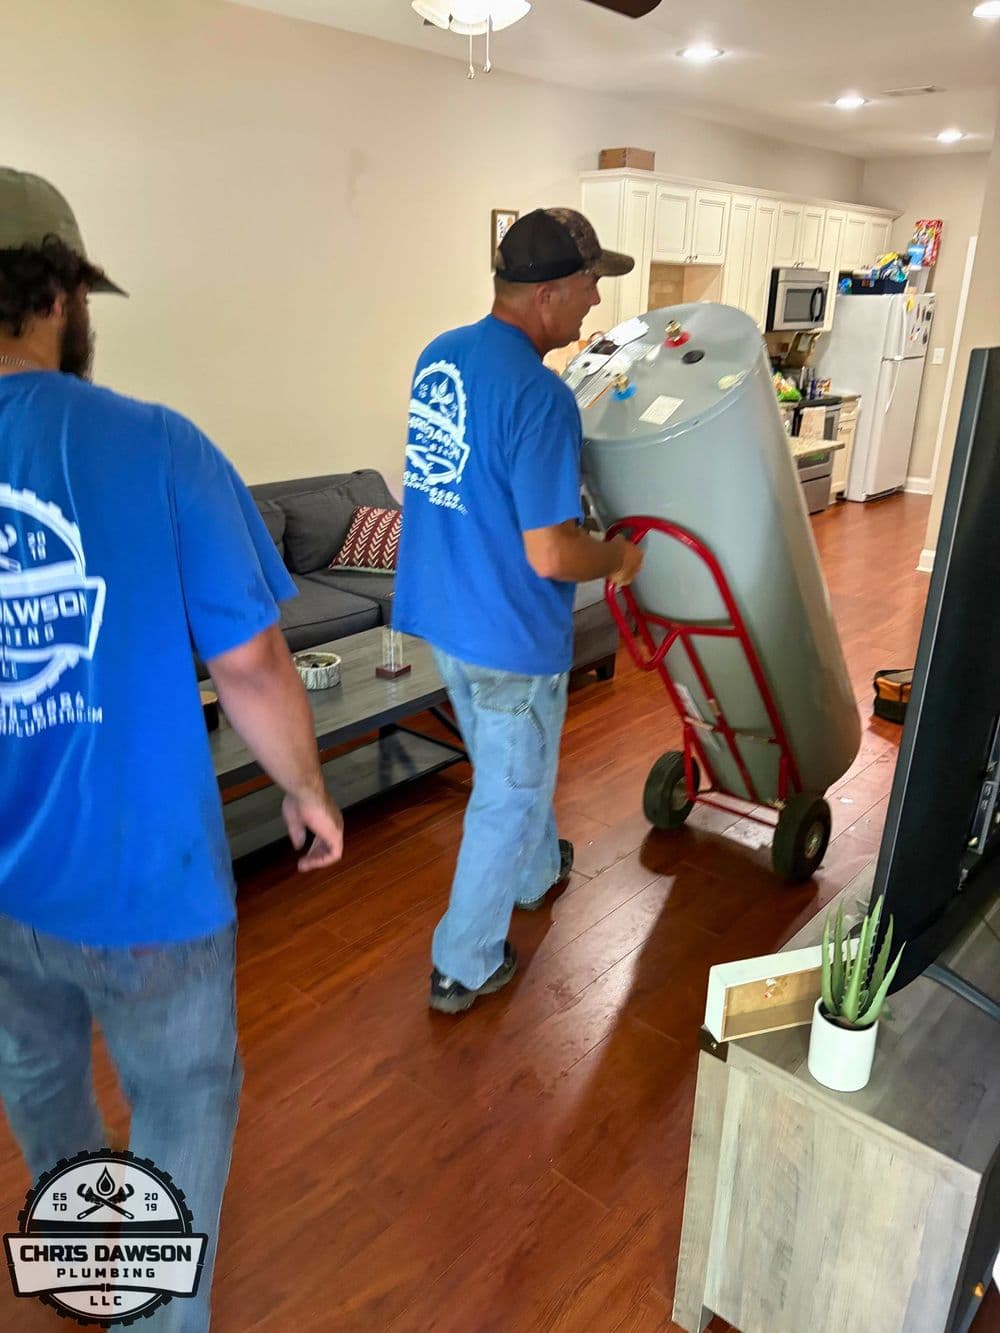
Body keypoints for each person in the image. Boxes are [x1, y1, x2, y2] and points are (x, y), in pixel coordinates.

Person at [0, 167, 344, 1331]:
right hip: (149, 885)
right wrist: (306, 790)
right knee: (181, 1099)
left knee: (38, 1078)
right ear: (59, 292)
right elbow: (249, 665)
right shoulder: (157, 446)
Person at [393, 207, 644, 1014]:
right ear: (549, 293)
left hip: (442, 613)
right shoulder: (542, 398)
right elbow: (551, 553)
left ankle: (535, 875)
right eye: (591, 285)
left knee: (509, 764)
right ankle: (462, 963)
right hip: (508, 632)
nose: (595, 304)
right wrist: (618, 558)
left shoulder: (440, 357)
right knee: (505, 790)